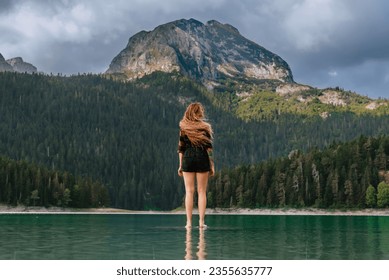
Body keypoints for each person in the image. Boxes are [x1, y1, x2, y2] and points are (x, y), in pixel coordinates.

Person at [177, 102, 214, 229]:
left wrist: (180, 165)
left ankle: (188, 223)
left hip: (187, 158)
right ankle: (201, 222)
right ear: (198, 113)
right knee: (202, 191)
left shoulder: (183, 127)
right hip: (202, 158)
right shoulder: (205, 127)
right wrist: (211, 165)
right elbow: (209, 149)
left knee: (189, 191)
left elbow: (181, 148)